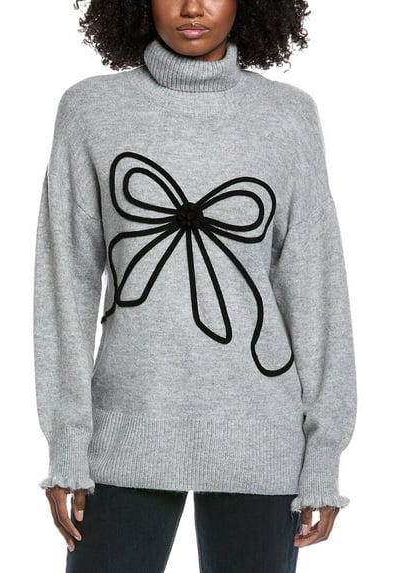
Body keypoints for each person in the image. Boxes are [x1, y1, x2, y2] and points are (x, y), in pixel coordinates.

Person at [33, 0, 358, 571]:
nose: (191, 7)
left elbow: (315, 286)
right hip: (123, 430)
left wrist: (324, 453)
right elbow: (65, 284)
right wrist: (66, 443)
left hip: (261, 434)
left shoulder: (288, 116)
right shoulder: (91, 110)